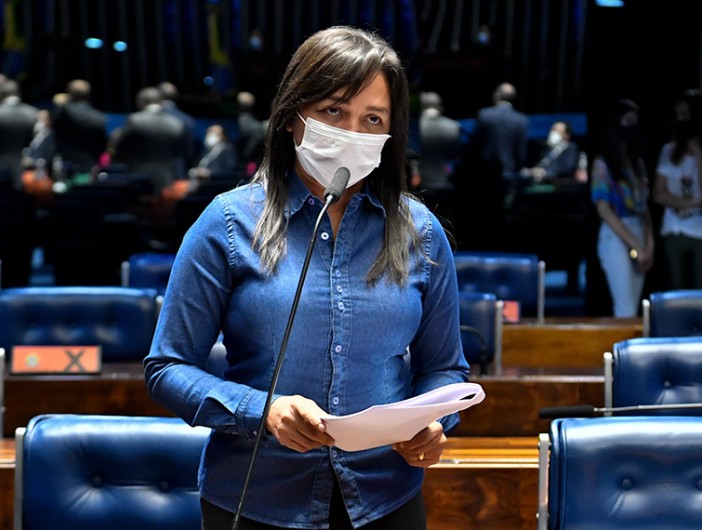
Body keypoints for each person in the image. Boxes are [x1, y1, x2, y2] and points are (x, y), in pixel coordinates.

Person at [144, 26, 469, 530]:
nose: (352, 133)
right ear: (294, 116)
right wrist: (263, 410)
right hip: (257, 497)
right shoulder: (228, 223)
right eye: (334, 110)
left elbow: (445, 370)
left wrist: (433, 422)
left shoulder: (419, 231)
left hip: (385, 499)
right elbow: (167, 368)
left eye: (373, 119)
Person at [653, 89, 702, 289]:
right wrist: (692, 202)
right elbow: (659, 193)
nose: (681, 121)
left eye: (685, 115)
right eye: (678, 115)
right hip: (674, 226)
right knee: (676, 289)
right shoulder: (668, 151)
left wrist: (699, 154)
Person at [591, 99, 654, 317]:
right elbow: (604, 210)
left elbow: (644, 208)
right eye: (628, 121)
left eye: (635, 122)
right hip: (616, 236)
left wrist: (649, 245)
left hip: (638, 230)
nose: (632, 127)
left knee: (635, 307)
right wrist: (636, 245)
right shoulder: (603, 164)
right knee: (625, 307)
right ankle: (624, 351)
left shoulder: (637, 165)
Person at [471, 82, 529, 182]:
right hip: (510, 172)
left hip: (486, 172)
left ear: (496, 96)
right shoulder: (521, 120)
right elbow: (520, 152)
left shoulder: (484, 115)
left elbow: (475, 146)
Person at [416, 91, 461, 219]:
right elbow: (455, 156)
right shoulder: (453, 126)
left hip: (419, 183)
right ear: (440, 108)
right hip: (444, 182)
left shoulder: (412, 126)